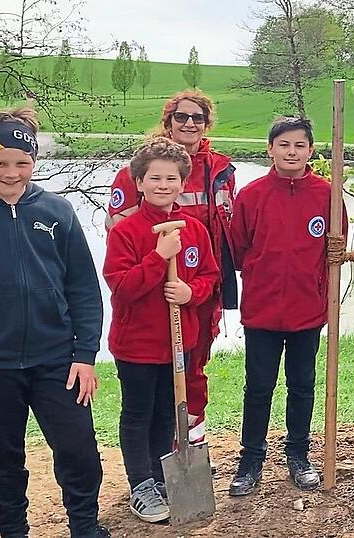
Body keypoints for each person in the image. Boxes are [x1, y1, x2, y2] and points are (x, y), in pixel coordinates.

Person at [0, 108, 109, 537]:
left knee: (79, 452)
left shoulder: (57, 212)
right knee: (0, 460)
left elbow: (84, 291)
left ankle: (85, 526)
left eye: (22, 162)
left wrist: (85, 354)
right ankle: (12, 530)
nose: (11, 173)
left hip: (58, 361)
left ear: (34, 161)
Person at [106, 90, 237, 446]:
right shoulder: (141, 169)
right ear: (168, 121)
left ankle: (190, 443)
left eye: (197, 118)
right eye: (181, 117)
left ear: (207, 123)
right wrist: (158, 260)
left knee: (194, 368)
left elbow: (228, 231)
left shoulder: (221, 170)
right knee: (151, 391)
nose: (189, 124)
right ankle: (153, 463)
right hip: (150, 295)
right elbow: (119, 235)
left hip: (198, 286)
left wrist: (202, 288)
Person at [228, 117, 347, 496]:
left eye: (299, 145)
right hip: (262, 309)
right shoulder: (252, 195)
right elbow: (239, 249)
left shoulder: (327, 195)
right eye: (284, 145)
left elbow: (336, 250)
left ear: (311, 151)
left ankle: (298, 455)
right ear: (270, 149)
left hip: (306, 310)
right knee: (259, 387)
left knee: (302, 385)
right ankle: (251, 460)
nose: (291, 152)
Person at [103, 138, 220, 523]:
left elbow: (209, 277)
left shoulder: (196, 230)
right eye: (154, 178)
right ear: (138, 182)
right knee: (138, 413)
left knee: (168, 415)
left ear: (183, 184)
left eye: (172, 178)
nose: (163, 185)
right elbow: (123, 285)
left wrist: (190, 292)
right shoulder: (126, 232)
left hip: (178, 343)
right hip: (137, 344)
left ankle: (160, 473)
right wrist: (159, 257)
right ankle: (141, 484)